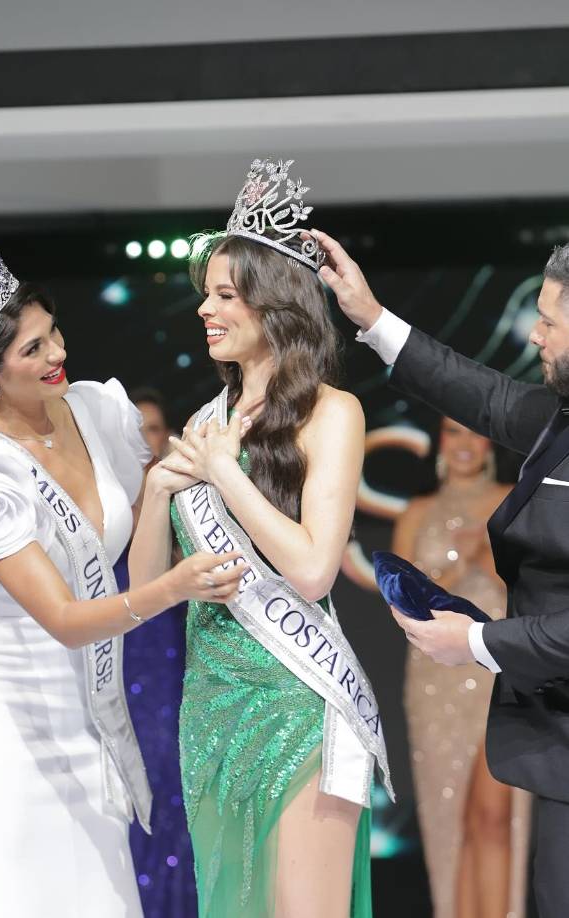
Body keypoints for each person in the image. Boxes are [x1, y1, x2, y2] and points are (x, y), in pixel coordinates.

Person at [0, 252, 246, 917]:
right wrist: (176, 588)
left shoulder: (96, 411)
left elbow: (136, 557)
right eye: (32, 348)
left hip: (87, 715)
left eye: (54, 333)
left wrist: (159, 489)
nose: (57, 354)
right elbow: (67, 619)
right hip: (3, 717)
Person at [131, 158, 392, 918]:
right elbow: (148, 594)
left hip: (295, 700)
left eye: (223, 295)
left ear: (273, 306)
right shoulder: (206, 424)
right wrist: (155, 494)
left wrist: (227, 475)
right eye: (204, 296)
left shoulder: (332, 413)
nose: (205, 311)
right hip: (210, 705)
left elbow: (313, 571)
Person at [316, 229, 569, 918]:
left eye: (550, 320)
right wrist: (369, 315)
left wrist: (478, 645)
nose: (536, 335)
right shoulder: (560, 419)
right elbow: (482, 395)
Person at [395, 417, 530, 917]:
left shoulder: (515, 499)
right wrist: (462, 562)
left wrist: (491, 559)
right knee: (450, 817)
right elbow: (405, 605)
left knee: (495, 815)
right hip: (436, 682)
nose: (465, 443)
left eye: (474, 431)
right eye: (454, 432)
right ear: (440, 442)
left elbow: (534, 585)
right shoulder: (419, 511)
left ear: (490, 442)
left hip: (501, 668)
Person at [119, 387, 196, 917]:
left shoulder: (187, 500)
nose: (146, 441)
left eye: (153, 429)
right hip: (115, 661)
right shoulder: (99, 503)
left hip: (174, 661)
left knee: (172, 784)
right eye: (135, 429)